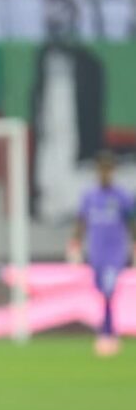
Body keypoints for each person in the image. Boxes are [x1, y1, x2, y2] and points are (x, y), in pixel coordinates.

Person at [68, 152, 135, 356]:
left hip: (115, 250)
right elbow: (81, 222)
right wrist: (75, 244)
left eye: (108, 170)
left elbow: (131, 222)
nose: (105, 174)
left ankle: (107, 333)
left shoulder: (122, 197)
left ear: (113, 171)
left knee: (108, 289)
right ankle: (107, 331)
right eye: (102, 170)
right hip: (96, 251)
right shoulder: (90, 197)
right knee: (102, 290)